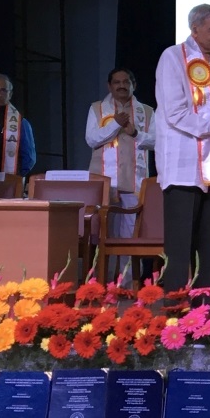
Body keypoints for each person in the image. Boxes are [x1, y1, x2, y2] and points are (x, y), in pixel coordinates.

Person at [155, 4, 210, 291]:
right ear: (194, 30)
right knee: (180, 247)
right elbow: (176, 113)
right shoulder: (173, 57)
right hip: (183, 165)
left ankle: (206, 309)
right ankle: (175, 308)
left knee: (209, 247)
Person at [85, 67, 155, 281]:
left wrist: (135, 133)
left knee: (129, 236)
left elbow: (157, 142)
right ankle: (100, 284)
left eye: (126, 82)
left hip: (135, 183)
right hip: (105, 183)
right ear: (109, 86)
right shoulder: (97, 109)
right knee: (102, 235)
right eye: (117, 82)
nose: (122, 86)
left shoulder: (147, 111)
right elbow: (91, 139)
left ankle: (126, 285)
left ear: (134, 85)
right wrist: (115, 123)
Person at [0, 74, 36, 176]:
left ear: (10, 94)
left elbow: (29, 158)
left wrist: (15, 177)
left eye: (3, 90)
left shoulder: (20, 123)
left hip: (6, 180)